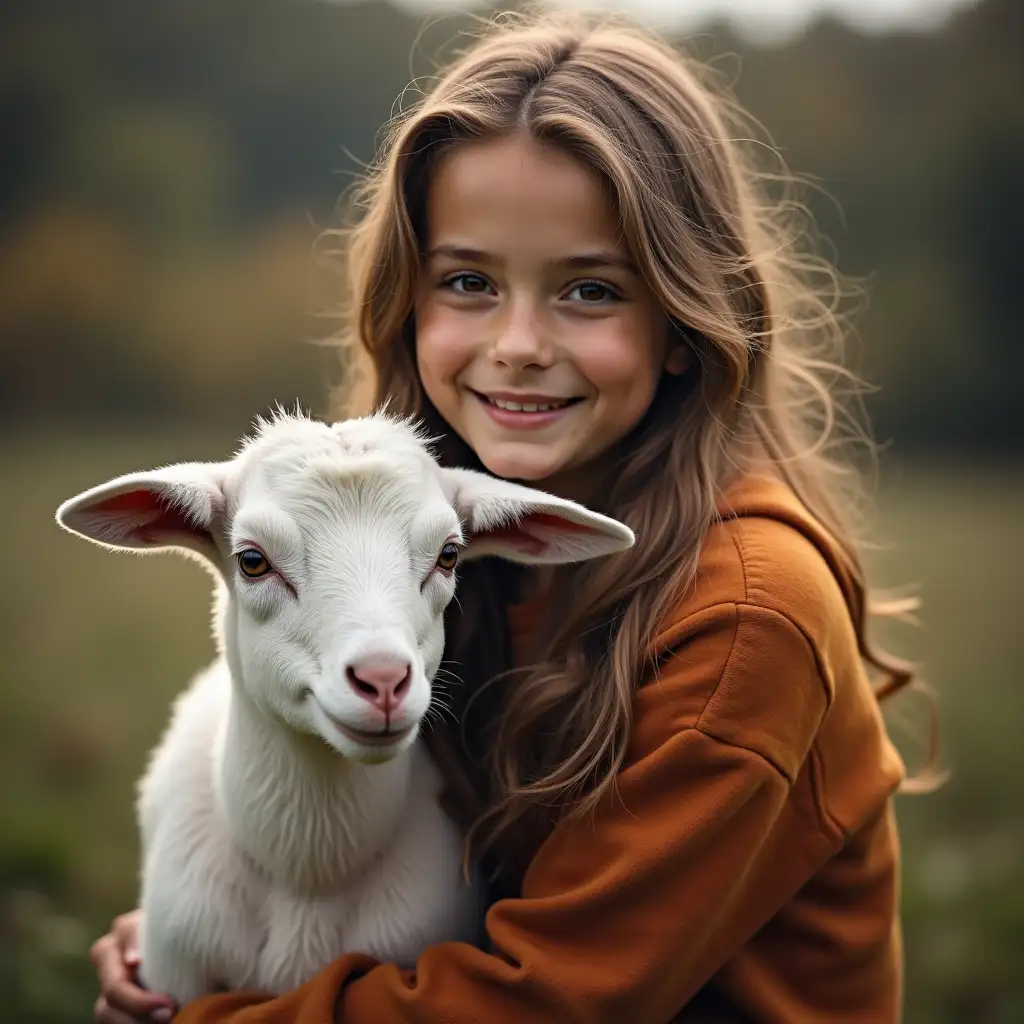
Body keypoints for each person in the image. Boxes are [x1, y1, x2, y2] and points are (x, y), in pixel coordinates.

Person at [90, 9, 939, 1023]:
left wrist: (210, 1020)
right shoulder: (431, 534)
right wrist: (184, 942)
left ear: (680, 321)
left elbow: (560, 998)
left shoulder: (748, 611)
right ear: (408, 301)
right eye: (468, 282)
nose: (520, 343)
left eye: (588, 288)